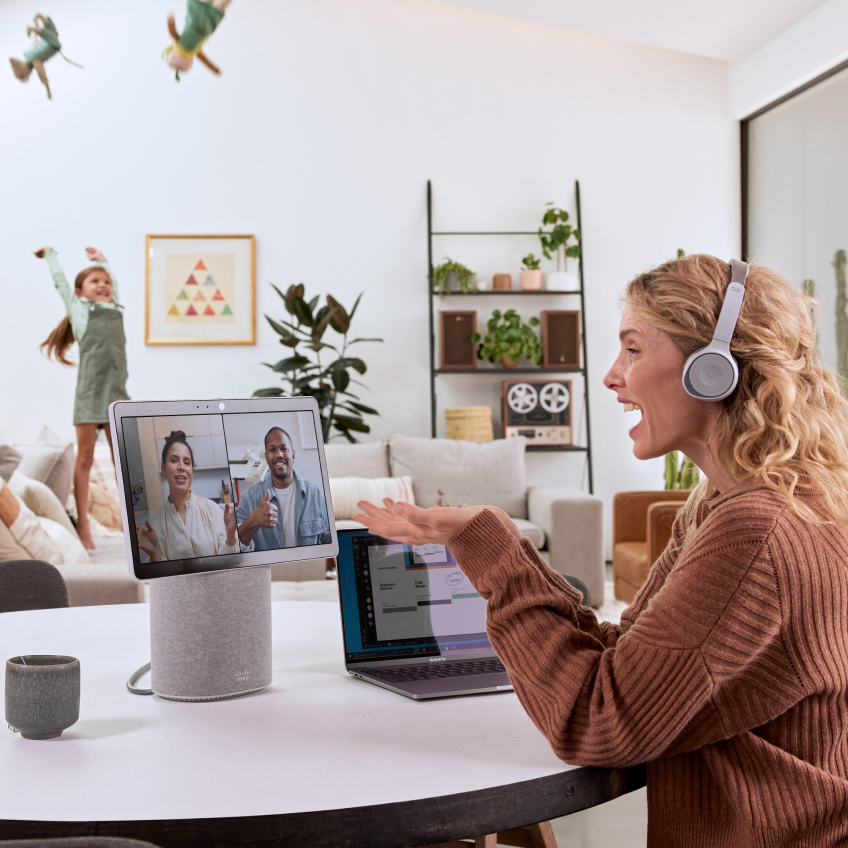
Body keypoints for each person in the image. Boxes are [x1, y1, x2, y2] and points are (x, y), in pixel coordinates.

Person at [354, 255, 848, 845]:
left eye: (634, 350)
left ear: (712, 370)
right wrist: (501, 546)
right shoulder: (728, 503)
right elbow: (631, 659)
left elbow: (600, 720)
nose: (613, 376)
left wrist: (498, 553)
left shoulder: (758, 532)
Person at [36, 245, 129, 550]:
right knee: (85, 458)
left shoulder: (115, 309)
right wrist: (50, 256)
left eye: (106, 282)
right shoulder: (80, 311)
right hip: (89, 394)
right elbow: (62, 284)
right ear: (81, 292)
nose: (103, 285)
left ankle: (135, 525)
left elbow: (110, 277)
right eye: (95, 282)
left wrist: (102, 260)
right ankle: (84, 527)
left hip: (117, 395)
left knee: (126, 462)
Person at [136, 430, 238, 563]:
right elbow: (163, 577)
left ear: (192, 471)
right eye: (174, 460)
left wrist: (230, 534)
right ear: (163, 468)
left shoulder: (212, 509)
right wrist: (154, 552)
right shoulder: (155, 526)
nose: (181, 467)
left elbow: (228, 561)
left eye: (187, 462)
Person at [236, 426, 330, 550]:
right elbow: (235, 547)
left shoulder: (317, 495)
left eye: (284, 449)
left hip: (308, 568)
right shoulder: (248, 498)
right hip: (271, 569)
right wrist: (254, 520)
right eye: (272, 450)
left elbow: (329, 542)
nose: (279, 455)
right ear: (267, 457)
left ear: (293, 455)